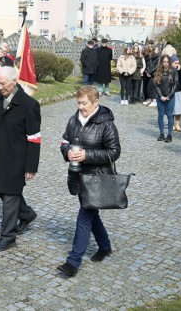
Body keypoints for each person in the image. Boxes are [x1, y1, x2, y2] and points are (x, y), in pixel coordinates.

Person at [0, 66, 40, 252]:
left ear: (14, 81)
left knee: (10, 197)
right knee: (3, 192)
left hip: (18, 159)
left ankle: (7, 236)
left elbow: (34, 140)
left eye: (3, 83)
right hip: (0, 156)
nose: (0, 86)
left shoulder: (29, 105)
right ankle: (26, 214)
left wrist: (31, 167)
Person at [56, 85, 120, 277]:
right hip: (77, 175)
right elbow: (64, 141)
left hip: (98, 177)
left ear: (96, 102)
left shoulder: (106, 123)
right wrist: (67, 151)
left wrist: (87, 155)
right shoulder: (73, 119)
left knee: (85, 216)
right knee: (92, 215)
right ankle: (105, 246)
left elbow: (114, 152)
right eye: (79, 103)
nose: (81, 107)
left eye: (85, 103)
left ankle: (73, 262)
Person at [153, 54, 178, 142]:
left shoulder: (173, 71)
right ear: (161, 62)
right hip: (160, 96)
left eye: (167, 62)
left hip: (170, 96)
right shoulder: (158, 71)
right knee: (160, 115)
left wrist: (169, 96)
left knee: (170, 115)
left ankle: (169, 135)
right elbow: (155, 85)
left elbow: (175, 84)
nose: (166, 64)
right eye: (164, 62)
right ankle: (161, 134)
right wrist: (161, 96)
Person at [170, 56, 181, 133]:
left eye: (178, 63)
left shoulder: (179, 70)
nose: (177, 64)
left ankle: (177, 124)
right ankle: (171, 124)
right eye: (175, 63)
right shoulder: (169, 71)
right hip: (171, 92)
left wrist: (179, 71)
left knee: (179, 109)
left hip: (179, 91)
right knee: (172, 109)